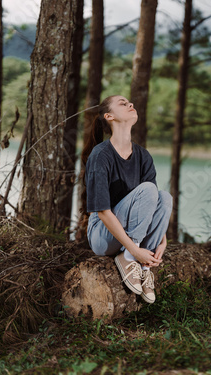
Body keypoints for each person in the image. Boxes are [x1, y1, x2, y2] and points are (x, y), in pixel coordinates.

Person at [81, 95, 172, 304]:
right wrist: (132, 249)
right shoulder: (100, 154)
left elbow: (155, 204)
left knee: (165, 197)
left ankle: (145, 267)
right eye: (123, 103)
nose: (131, 104)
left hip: (130, 236)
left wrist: (162, 240)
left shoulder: (143, 156)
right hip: (102, 236)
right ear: (109, 116)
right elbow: (103, 211)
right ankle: (129, 259)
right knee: (149, 189)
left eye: (130, 102)